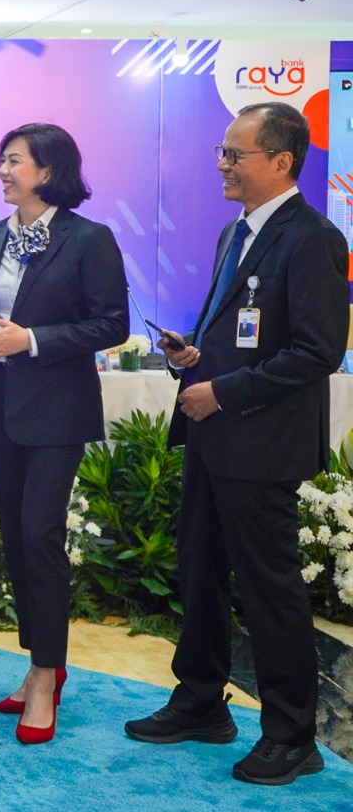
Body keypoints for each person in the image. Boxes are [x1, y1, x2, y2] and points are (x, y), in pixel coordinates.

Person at [125, 102, 346, 786]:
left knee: (268, 590)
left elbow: (318, 351)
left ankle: (292, 735)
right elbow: (244, 331)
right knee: (199, 571)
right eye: (221, 152)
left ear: (280, 161)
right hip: (214, 438)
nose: (221, 164)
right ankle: (200, 701)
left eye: (234, 153)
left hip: (262, 443)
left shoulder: (313, 238)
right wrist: (194, 354)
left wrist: (222, 392)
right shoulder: (236, 232)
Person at [0, 122, 128, 746]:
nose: (2, 171)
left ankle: (46, 672)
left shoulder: (89, 239)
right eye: (1, 160)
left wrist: (29, 339)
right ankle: (40, 666)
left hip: (57, 410)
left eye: (14, 160)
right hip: (0, 405)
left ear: (48, 171)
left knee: (40, 535)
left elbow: (111, 324)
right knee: (16, 539)